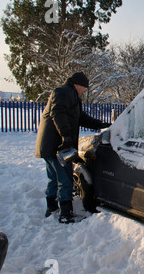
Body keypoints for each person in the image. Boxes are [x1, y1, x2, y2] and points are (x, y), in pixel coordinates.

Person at [35, 72, 110, 224]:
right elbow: (58, 114)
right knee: (65, 178)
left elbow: (81, 118)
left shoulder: (70, 95)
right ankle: (65, 214)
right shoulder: (64, 92)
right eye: (84, 88)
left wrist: (101, 124)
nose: (84, 91)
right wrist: (66, 137)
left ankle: (51, 207)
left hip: (48, 145)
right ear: (78, 85)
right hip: (58, 146)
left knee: (54, 178)